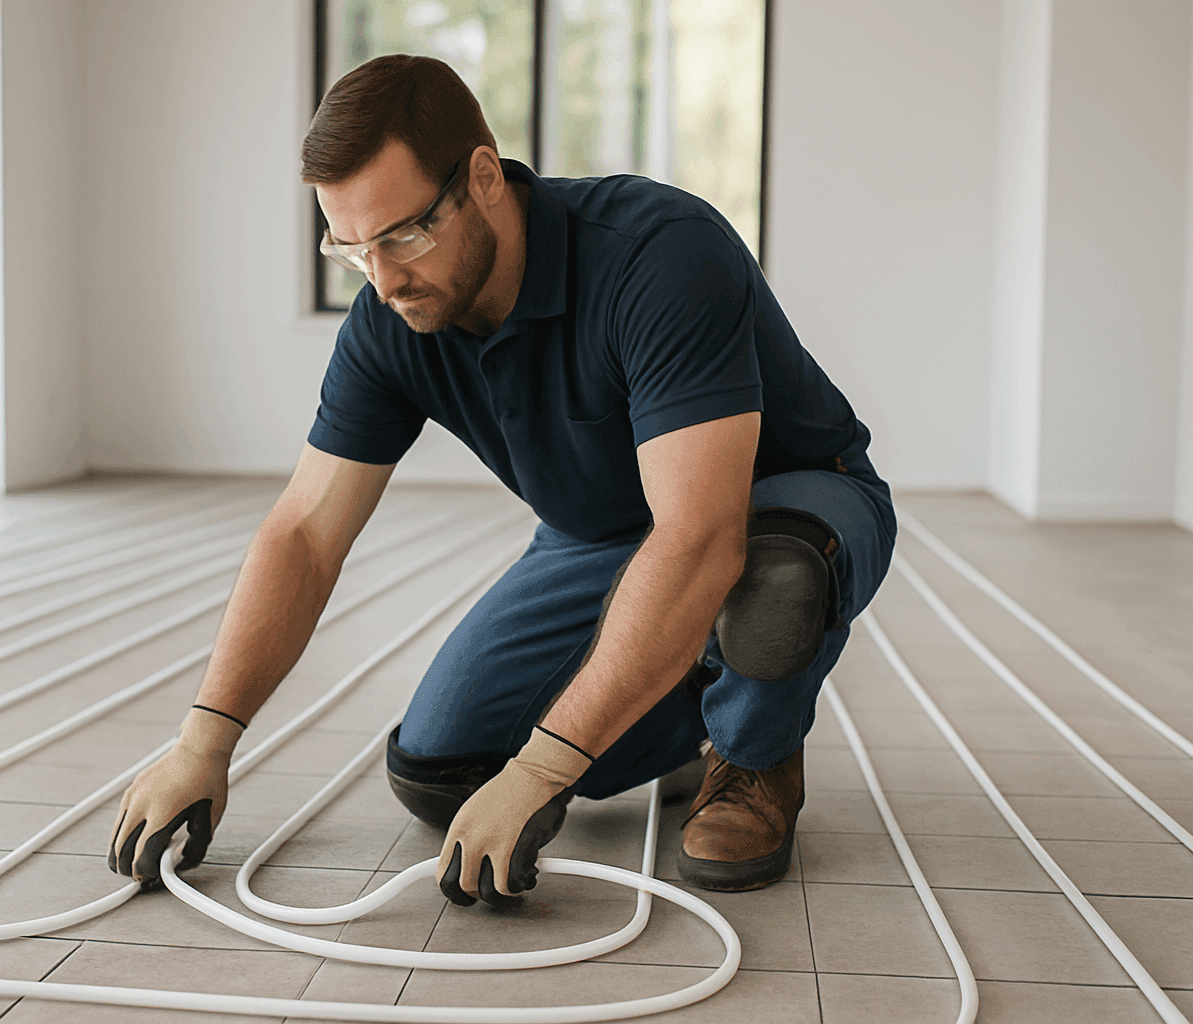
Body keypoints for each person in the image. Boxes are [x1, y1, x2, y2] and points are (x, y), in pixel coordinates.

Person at [108, 54, 896, 907]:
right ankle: (690, 700)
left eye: (405, 234)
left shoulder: (659, 253)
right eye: (351, 247)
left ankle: (751, 758)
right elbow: (305, 532)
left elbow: (699, 535)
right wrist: (204, 743)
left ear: (483, 176)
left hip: (784, 498)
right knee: (440, 767)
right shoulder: (390, 315)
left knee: (769, 584)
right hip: (600, 537)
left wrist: (548, 765)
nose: (384, 276)